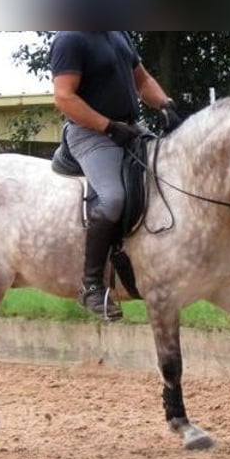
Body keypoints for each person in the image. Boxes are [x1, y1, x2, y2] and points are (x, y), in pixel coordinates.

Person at [49, 31, 182, 320]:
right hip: (91, 134)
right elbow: (63, 96)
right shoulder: (71, 39)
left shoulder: (118, 33)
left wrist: (165, 105)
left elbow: (142, 80)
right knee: (113, 199)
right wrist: (108, 126)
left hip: (131, 128)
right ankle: (91, 286)